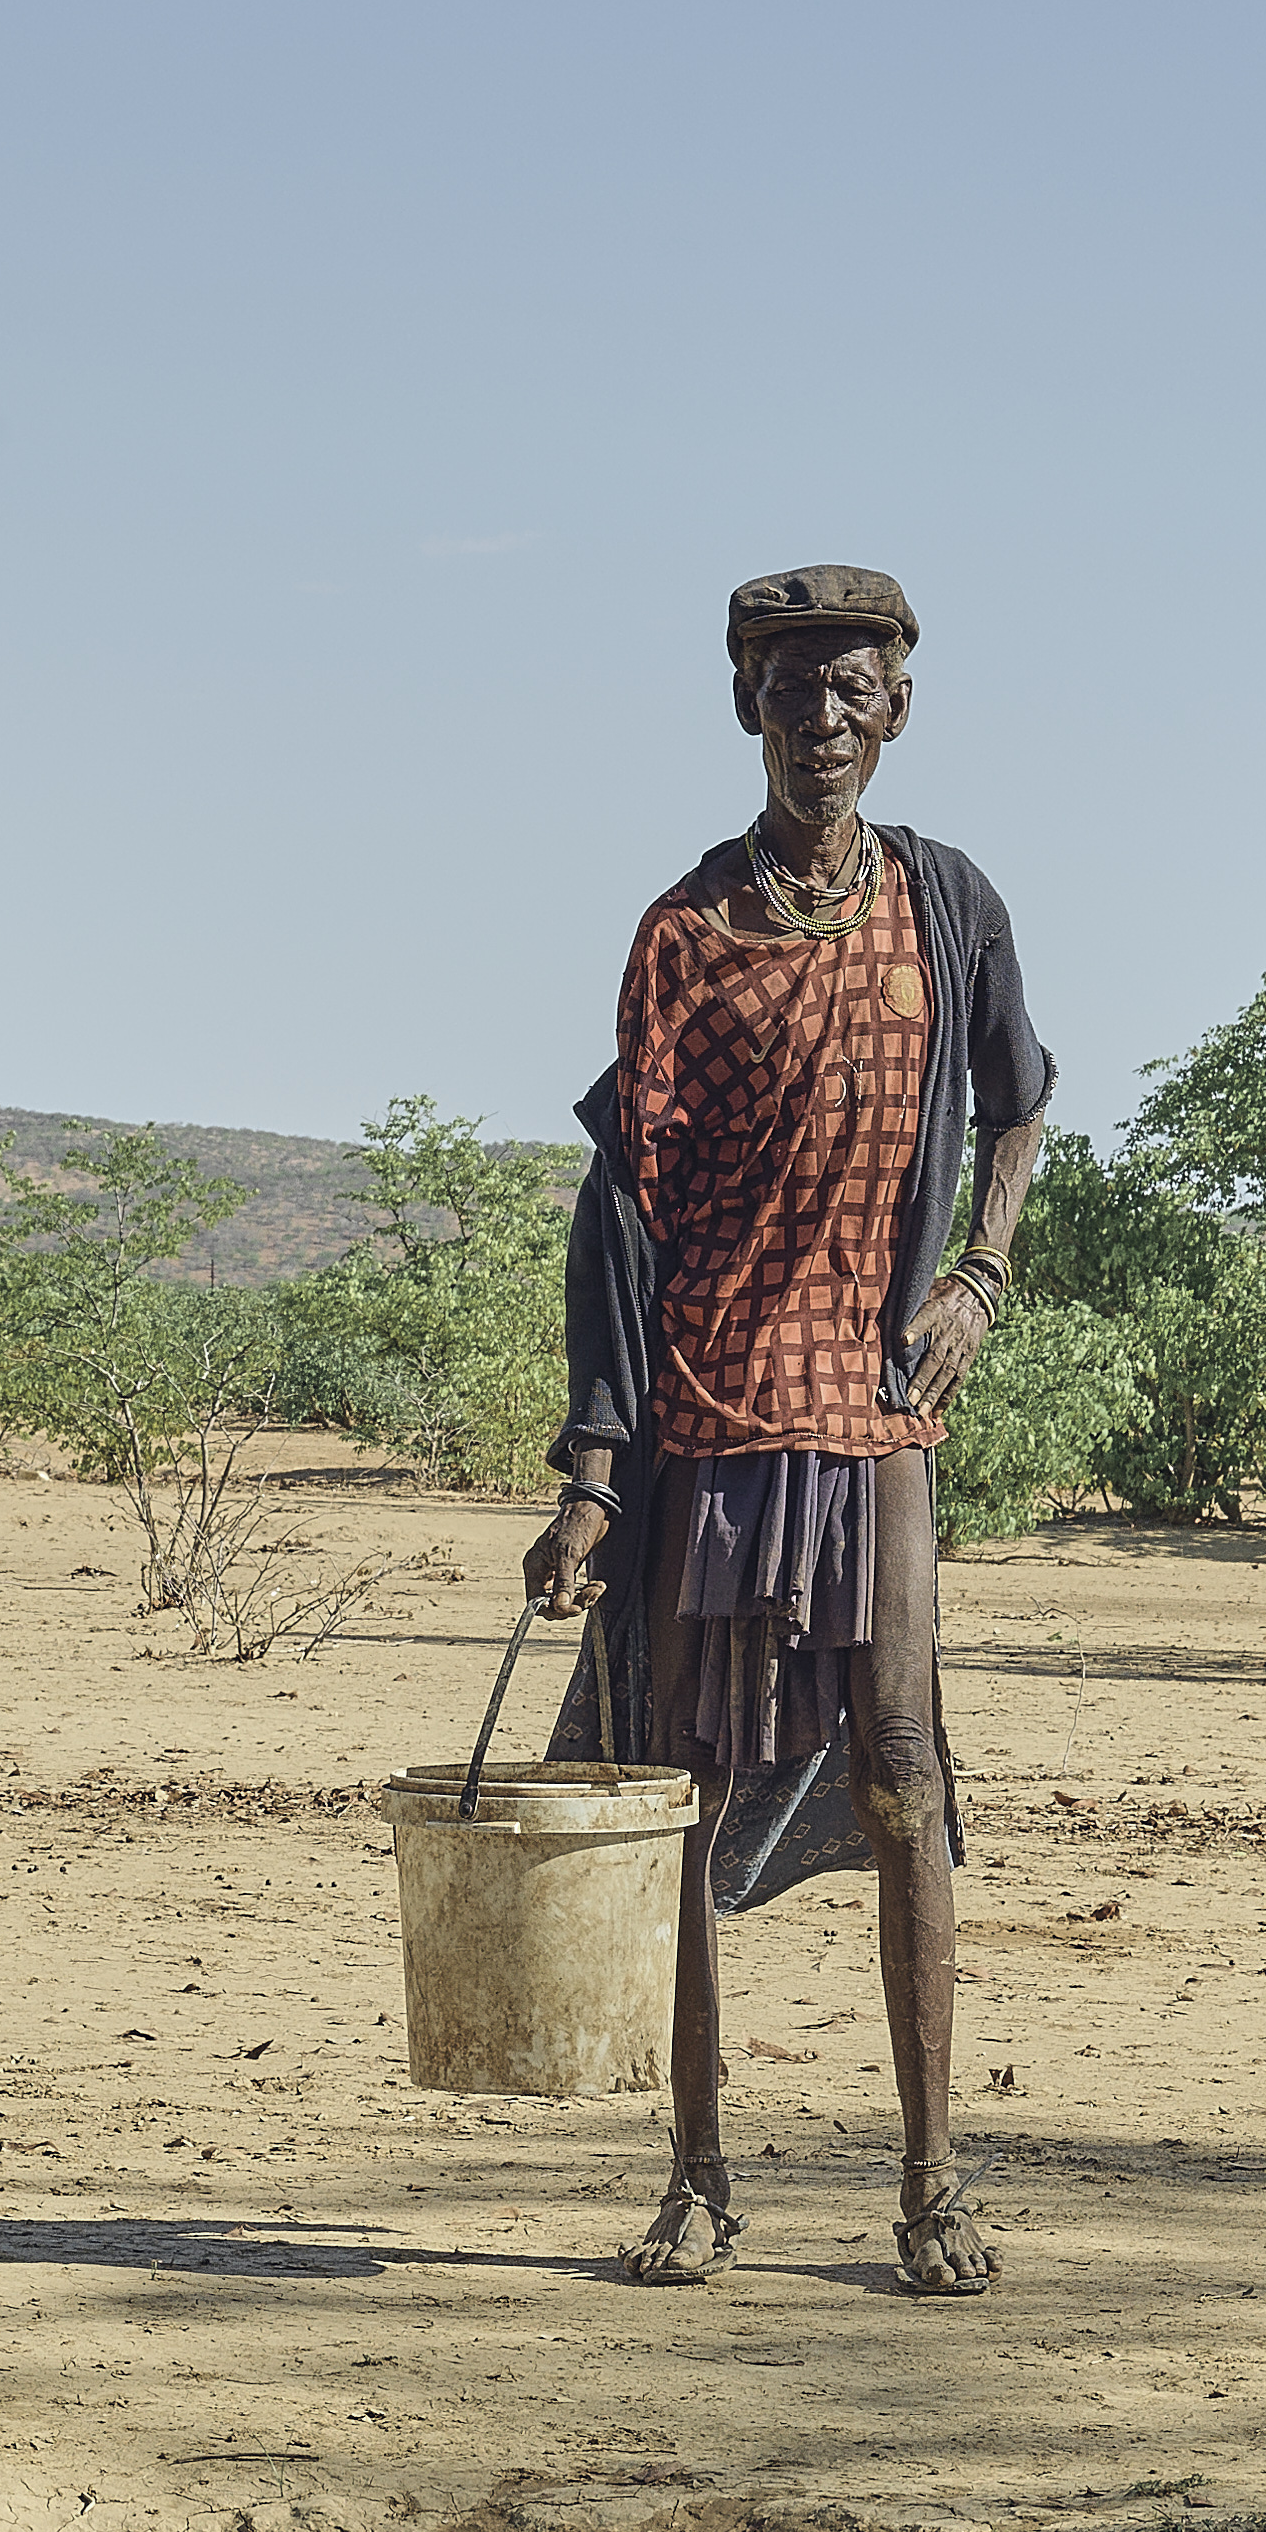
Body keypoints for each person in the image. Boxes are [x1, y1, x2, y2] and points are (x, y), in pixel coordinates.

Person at [524, 564, 1054, 2297]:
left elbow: (1021, 1107)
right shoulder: (684, 931)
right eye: (787, 689)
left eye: (851, 691)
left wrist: (977, 1274)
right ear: (743, 707)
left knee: (905, 1777)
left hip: (874, 1417)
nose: (820, 721)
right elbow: (623, 1213)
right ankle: (695, 2178)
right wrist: (596, 1475)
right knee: (681, 1791)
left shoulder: (948, 903)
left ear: (896, 711)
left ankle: (929, 2184)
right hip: (706, 1411)